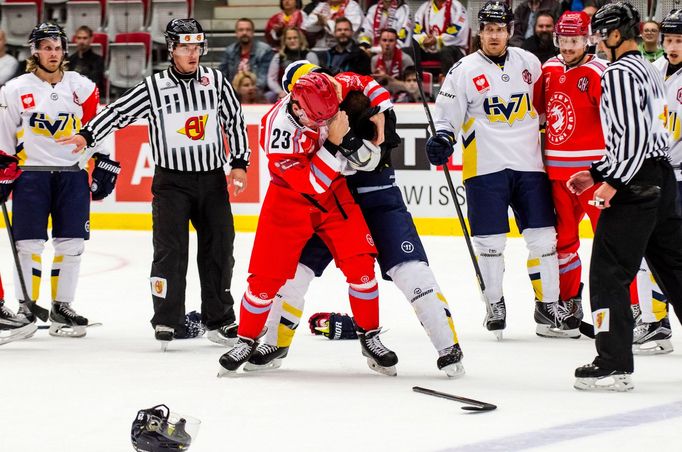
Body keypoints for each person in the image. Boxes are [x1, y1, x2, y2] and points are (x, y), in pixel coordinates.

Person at [243, 63, 465, 377]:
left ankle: (447, 347)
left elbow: (373, 92)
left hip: (378, 200)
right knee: (293, 275)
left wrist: (384, 114)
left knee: (412, 271)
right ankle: (275, 341)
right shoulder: (298, 123)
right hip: (331, 203)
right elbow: (307, 177)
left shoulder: (345, 89)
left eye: (324, 82)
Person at [59, 19, 250, 350]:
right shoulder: (154, 87)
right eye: (186, 47)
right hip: (172, 183)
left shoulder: (216, 81)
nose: (193, 54)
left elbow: (234, 121)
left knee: (220, 249)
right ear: (173, 49)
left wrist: (240, 164)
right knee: (170, 252)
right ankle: (167, 319)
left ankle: (218, 319)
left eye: (197, 47)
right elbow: (119, 112)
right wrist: (88, 134)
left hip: (212, 181)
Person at [217, 72, 399, 376]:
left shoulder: (326, 89)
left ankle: (369, 335)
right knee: (264, 280)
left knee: (361, 266)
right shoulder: (277, 133)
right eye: (320, 120)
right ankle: (246, 339)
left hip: (335, 196)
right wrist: (337, 141)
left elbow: (365, 82)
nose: (327, 123)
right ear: (299, 109)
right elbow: (312, 182)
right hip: (290, 200)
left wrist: (382, 111)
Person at [426, 1, 580, 340]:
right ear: (480, 32)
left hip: (529, 166)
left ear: (509, 31)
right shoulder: (463, 70)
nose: (494, 35)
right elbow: (446, 115)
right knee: (491, 243)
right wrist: (442, 137)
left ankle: (548, 304)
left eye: (500, 29)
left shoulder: (530, 63)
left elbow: (549, 106)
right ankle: (494, 303)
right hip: (485, 168)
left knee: (544, 240)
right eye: (489, 29)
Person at [570, 2, 682, 391]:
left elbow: (631, 138)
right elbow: (648, 134)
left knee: (607, 274)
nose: (598, 42)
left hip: (636, 185)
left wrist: (613, 182)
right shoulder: (650, 70)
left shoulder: (617, 72)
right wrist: (597, 171)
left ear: (617, 33)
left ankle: (613, 364)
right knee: (676, 269)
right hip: (661, 177)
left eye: (602, 34)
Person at [0, 23, 109, 338]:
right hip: (31, 175)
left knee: (72, 244)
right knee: (28, 245)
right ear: (35, 51)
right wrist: (4, 171)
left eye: (58, 47)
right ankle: (27, 307)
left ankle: (62, 306)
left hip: (72, 175)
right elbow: (5, 136)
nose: (53, 53)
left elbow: (97, 126)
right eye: (46, 47)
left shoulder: (83, 87)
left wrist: (105, 162)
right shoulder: (15, 89)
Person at [412, 0, 470, 76]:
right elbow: (417, 28)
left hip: (453, 49)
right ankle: (417, 80)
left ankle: (449, 82)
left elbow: (458, 30)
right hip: (428, 48)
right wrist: (423, 39)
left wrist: (437, 40)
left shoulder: (457, 7)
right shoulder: (424, 8)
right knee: (412, 49)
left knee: (446, 51)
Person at [219, 18, 274, 94]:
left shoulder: (264, 50)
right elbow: (222, 76)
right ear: (236, 32)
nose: (244, 32)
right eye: (241, 30)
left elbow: (262, 80)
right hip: (232, 92)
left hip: (256, 92)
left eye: (248, 30)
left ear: (253, 32)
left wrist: (247, 90)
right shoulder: (229, 51)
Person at [266, 27, 319, 99]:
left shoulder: (310, 55)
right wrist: (280, 91)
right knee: (269, 95)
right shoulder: (278, 57)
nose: (292, 40)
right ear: (285, 41)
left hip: (306, 92)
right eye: (289, 38)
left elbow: (315, 77)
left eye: (295, 38)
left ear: (300, 39)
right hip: (284, 93)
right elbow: (271, 78)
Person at [67, 25, 105, 94]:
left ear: (91, 39)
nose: (81, 41)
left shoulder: (98, 60)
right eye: (79, 38)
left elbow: (95, 82)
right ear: (75, 39)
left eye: (85, 38)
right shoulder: (71, 59)